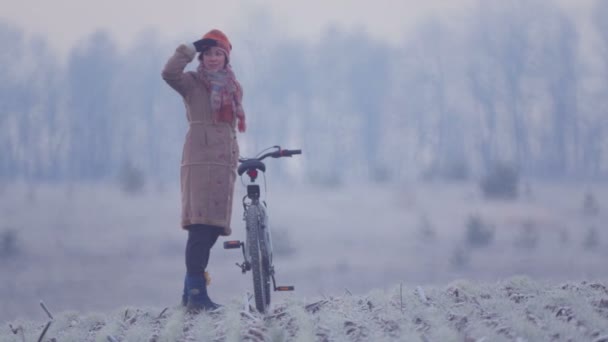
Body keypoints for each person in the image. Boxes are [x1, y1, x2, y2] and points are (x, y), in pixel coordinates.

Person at [161, 29, 246, 312]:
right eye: (207, 53)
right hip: (200, 163)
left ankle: (189, 295)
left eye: (217, 53)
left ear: (226, 57)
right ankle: (196, 295)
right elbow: (168, 73)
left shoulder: (233, 87)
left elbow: (231, 128)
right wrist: (189, 48)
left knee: (210, 231)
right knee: (199, 228)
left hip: (223, 165)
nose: (212, 59)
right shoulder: (192, 83)